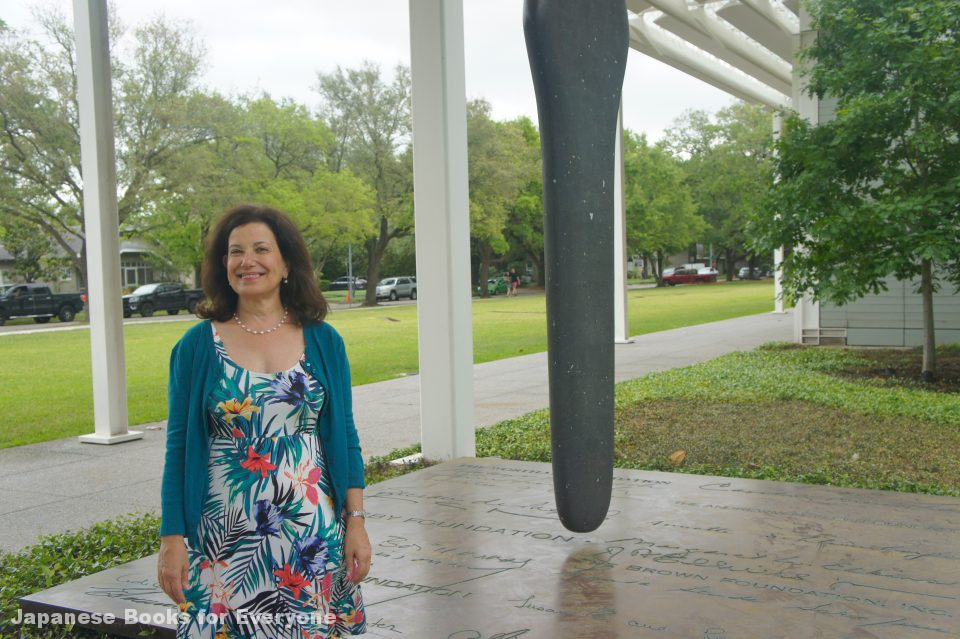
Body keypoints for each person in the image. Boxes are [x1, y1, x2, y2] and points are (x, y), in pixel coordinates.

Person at [158, 204, 370, 638]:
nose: (247, 261)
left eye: (261, 249)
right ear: (224, 266)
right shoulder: (197, 346)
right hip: (224, 537)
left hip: (311, 533)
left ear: (286, 262)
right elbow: (178, 449)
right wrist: (171, 539)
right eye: (236, 251)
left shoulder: (324, 341)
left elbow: (346, 437)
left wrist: (357, 523)